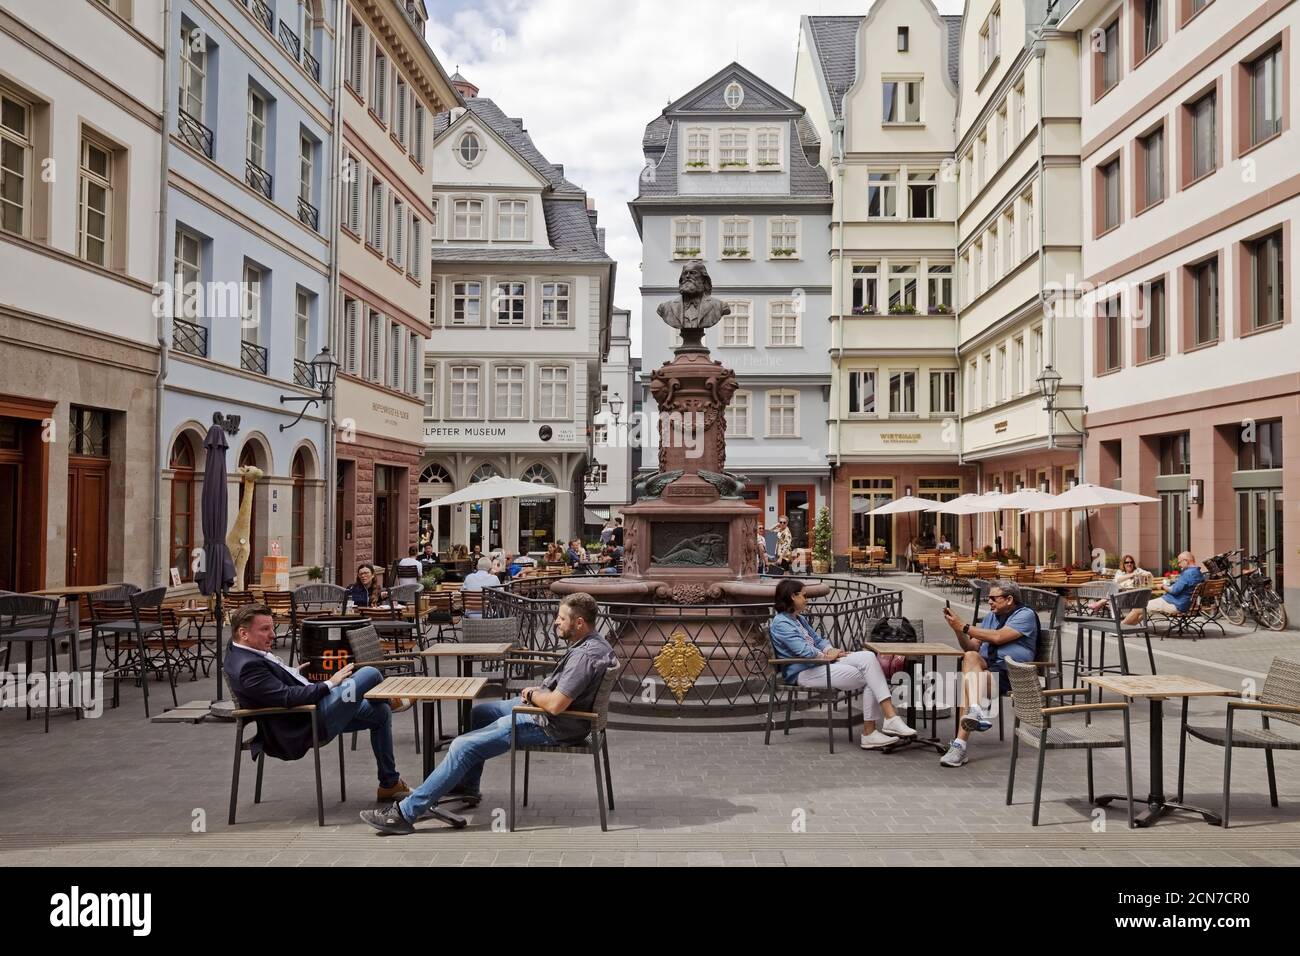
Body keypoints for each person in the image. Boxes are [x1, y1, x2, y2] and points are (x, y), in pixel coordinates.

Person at [361, 592, 616, 834]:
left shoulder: (584, 656)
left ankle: (404, 814)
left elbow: (556, 705)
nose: (556, 623)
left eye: (562, 618)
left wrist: (530, 695)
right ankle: (466, 784)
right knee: (481, 713)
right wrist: (535, 695)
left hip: (551, 724)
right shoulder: (596, 644)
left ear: (579, 622)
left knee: (462, 746)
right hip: (550, 714)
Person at [224, 604, 409, 802]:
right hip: (308, 721)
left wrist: (291, 673)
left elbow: (270, 690)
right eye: (265, 629)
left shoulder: (239, 649)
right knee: (369, 673)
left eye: (272, 628)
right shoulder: (247, 666)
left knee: (380, 713)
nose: (273, 635)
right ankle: (391, 700)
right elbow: (287, 697)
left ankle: (389, 784)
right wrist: (331, 682)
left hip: (315, 709)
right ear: (243, 633)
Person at [769, 579, 916, 749]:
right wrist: (827, 655)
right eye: (804, 595)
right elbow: (803, 651)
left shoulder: (798, 619)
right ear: (792, 597)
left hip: (819, 664)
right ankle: (878, 727)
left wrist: (831, 649)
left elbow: (818, 640)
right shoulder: (781, 623)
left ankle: (884, 723)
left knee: (869, 658)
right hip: (804, 672)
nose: (807, 599)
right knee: (873, 675)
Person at [939, 580, 1039, 767]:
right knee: (969, 656)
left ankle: (959, 746)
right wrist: (957, 630)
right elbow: (971, 646)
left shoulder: (1025, 615)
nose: (989, 602)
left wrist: (964, 626)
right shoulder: (991, 617)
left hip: (1013, 675)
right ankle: (976, 711)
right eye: (988, 598)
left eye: (993, 598)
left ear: (1009, 599)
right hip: (988, 672)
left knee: (969, 682)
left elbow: (998, 637)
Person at [1124, 551, 1203, 625]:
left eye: (1179, 562)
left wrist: (1162, 586)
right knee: (1143, 610)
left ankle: (1119, 629)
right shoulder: (1198, 573)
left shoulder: (1188, 573)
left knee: (1137, 608)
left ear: (1186, 561)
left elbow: (1174, 591)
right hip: (1183, 604)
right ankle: (1128, 627)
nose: (1179, 565)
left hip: (1174, 603)